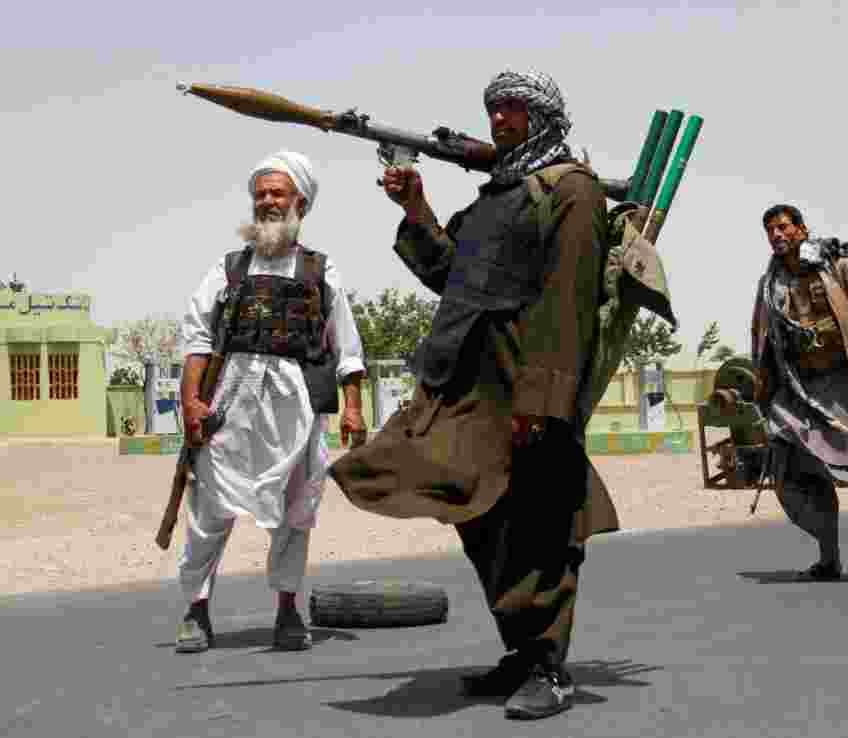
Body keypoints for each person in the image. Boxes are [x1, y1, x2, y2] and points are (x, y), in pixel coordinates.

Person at [329, 70, 620, 720]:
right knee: (475, 515)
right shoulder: (496, 198)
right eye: (493, 109)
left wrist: (543, 403)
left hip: (524, 388)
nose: (500, 119)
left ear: (544, 117)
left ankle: (547, 666)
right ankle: (521, 653)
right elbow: (447, 272)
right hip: (462, 387)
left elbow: (566, 301)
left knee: (538, 523)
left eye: (514, 108)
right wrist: (415, 211)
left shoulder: (571, 191)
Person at [175, 151, 367, 653]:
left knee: (295, 510)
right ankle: (196, 611)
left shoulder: (322, 271)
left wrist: (352, 406)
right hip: (232, 400)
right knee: (210, 508)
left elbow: (346, 347)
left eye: (276, 193)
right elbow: (197, 338)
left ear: (299, 202)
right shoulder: (229, 268)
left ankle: (287, 610)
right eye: (260, 194)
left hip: (296, 404)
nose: (266, 201)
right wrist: (192, 403)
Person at [751, 204, 848, 585]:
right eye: (770, 230)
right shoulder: (770, 284)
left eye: (783, 227)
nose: (777, 235)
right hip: (798, 393)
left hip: (845, 390)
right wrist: (762, 382)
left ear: (802, 229)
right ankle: (828, 559)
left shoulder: (839, 270)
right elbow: (763, 339)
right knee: (791, 470)